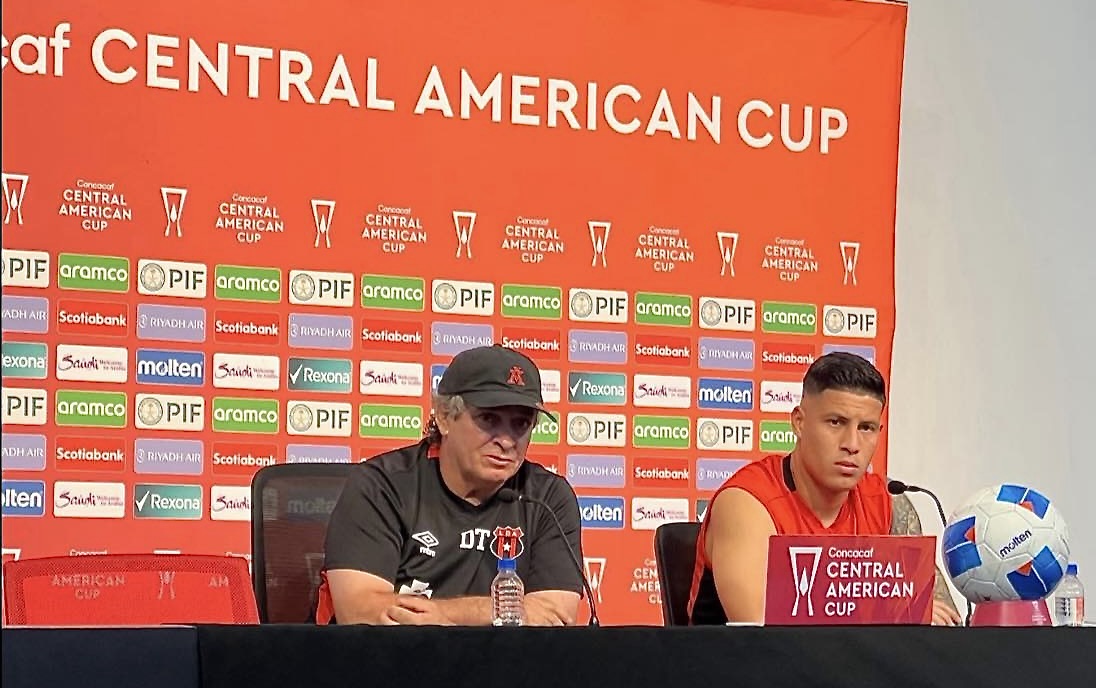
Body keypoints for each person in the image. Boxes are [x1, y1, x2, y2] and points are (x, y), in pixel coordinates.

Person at [687, 352, 962, 626]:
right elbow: (761, 631)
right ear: (799, 422)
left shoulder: (887, 502)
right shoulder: (748, 501)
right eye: (836, 422)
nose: (852, 444)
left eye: (866, 428)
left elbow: (945, 621)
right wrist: (893, 611)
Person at [317, 344, 582, 625]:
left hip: (500, 656)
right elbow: (360, 612)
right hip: (393, 654)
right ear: (444, 417)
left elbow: (556, 617)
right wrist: (509, 611)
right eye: (488, 419)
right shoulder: (381, 486)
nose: (506, 441)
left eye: (520, 424)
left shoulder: (547, 498)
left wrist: (442, 614)